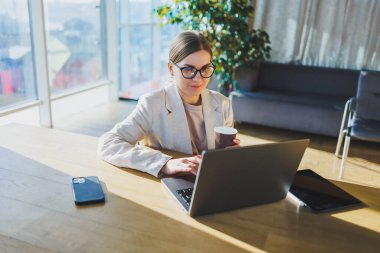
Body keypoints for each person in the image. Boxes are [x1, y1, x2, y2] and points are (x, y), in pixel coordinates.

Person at [98, 30, 240, 177]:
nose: (198, 78)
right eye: (189, 69)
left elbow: (222, 155)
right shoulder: (152, 104)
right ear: (171, 69)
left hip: (209, 182)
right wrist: (164, 163)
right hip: (168, 183)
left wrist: (231, 155)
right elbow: (108, 143)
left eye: (205, 68)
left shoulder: (223, 103)